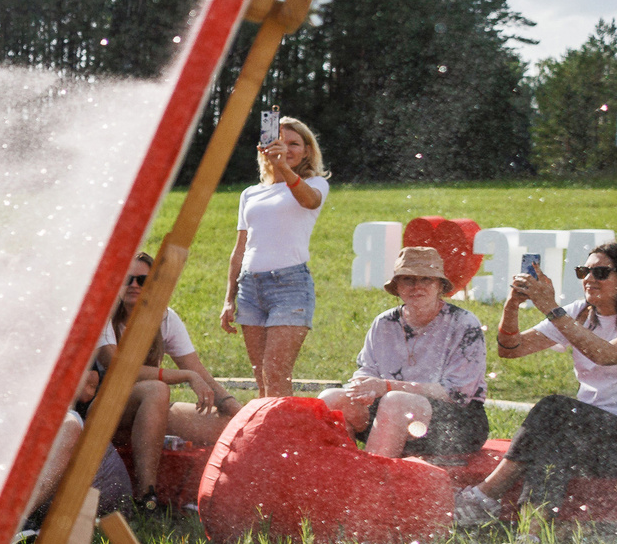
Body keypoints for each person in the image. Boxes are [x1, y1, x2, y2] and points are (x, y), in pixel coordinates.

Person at [456, 243, 617, 525]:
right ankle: (530, 537)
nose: (589, 279)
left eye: (601, 272)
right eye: (584, 271)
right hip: (596, 435)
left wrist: (550, 308)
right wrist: (512, 305)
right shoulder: (580, 313)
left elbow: (608, 354)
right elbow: (512, 348)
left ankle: (485, 495)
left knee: (554, 408)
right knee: (550, 447)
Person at [320, 246, 489, 462]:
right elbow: (367, 370)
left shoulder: (463, 323)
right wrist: (362, 387)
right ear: (397, 287)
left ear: (439, 286)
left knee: (395, 401)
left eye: (426, 279)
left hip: (455, 421)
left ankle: (371, 482)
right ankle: (338, 474)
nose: (417, 286)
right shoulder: (384, 323)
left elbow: (457, 393)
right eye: (408, 279)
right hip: (390, 410)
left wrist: (387, 386)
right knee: (331, 399)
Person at [104, 250, 239, 500]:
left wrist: (234, 408)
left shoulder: (165, 317)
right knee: (156, 389)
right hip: (101, 413)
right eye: (127, 279)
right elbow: (117, 369)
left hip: (148, 412)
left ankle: (229, 497)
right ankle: (147, 496)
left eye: (142, 280)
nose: (134, 285)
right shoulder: (104, 313)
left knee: (227, 427)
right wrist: (183, 376)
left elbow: (198, 370)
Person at [221, 116, 328, 398]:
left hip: (289, 285)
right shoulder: (251, 193)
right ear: (263, 148)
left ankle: (286, 440)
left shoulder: (315, 183)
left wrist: (282, 167)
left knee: (276, 373)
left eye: (294, 144)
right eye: (279, 142)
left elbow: (310, 201)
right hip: (250, 288)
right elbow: (240, 248)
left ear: (307, 150)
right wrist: (228, 298)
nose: (287, 149)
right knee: (261, 379)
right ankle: (266, 439)